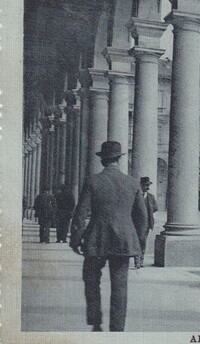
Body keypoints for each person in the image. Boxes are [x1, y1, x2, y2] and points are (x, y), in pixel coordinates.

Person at [70, 141, 147, 332]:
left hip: (97, 239)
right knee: (120, 285)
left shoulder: (93, 180)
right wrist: (139, 247)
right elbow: (142, 218)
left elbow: (81, 213)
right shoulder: (132, 182)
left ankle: (96, 323)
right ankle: (117, 328)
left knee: (91, 279)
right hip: (123, 241)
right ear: (119, 159)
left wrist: (75, 239)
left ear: (103, 160)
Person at [134, 177, 159, 268]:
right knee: (137, 242)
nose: (147, 187)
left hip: (147, 223)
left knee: (143, 242)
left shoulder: (151, 197)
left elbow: (156, 207)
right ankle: (137, 261)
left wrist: (149, 211)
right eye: (146, 185)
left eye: (148, 185)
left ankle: (141, 261)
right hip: (136, 223)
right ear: (141, 185)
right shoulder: (136, 196)